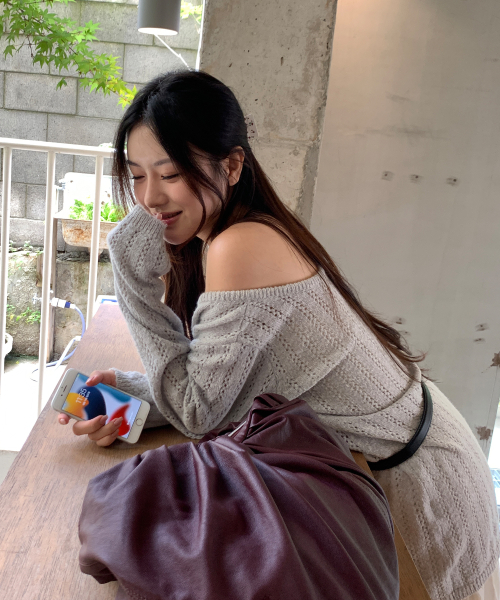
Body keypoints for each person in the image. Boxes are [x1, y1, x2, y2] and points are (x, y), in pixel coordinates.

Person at [58, 70, 499, 600]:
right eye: (136, 176)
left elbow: (199, 413)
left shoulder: (240, 245)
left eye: (171, 173)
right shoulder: (232, 233)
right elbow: (229, 388)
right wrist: (137, 394)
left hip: (414, 493)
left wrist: (131, 280)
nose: (150, 198)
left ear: (232, 165)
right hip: (378, 467)